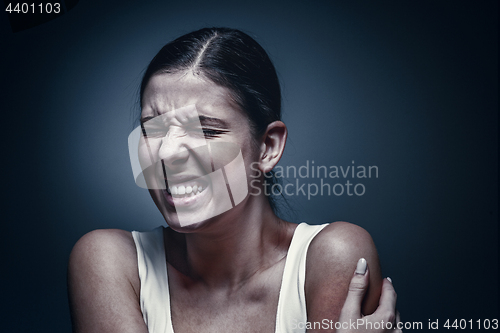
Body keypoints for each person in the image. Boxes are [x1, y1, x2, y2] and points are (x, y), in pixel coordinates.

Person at [68, 27, 400, 332]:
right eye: (152, 130)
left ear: (267, 148)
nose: (166, 154)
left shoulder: (333, 255)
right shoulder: (109, 260)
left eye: (206, 129)